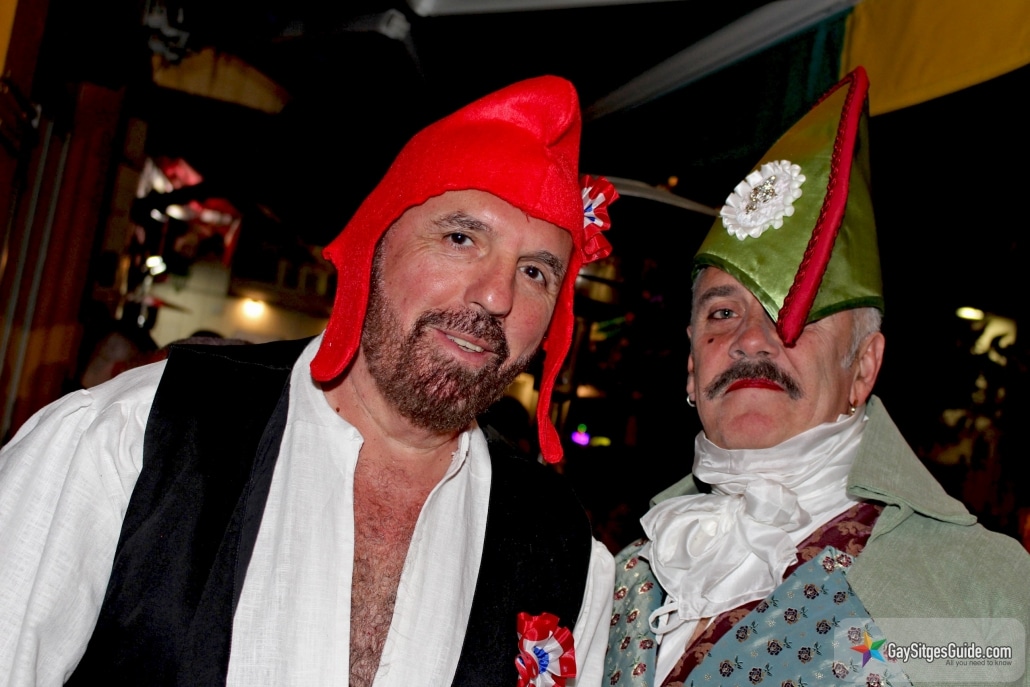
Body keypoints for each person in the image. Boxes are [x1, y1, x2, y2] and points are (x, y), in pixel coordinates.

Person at [0, 76, 618, 687]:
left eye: (535, 272)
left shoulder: (566, 556)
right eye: (461, 238)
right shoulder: (136, 437)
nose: (496, 295)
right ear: (375, 244)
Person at [605, 67, 1030, 687]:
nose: (751, 339)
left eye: (797, 315)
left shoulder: (978, 595)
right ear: (693, 369)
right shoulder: (624, 573)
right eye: (722, 313)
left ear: (863, 369)